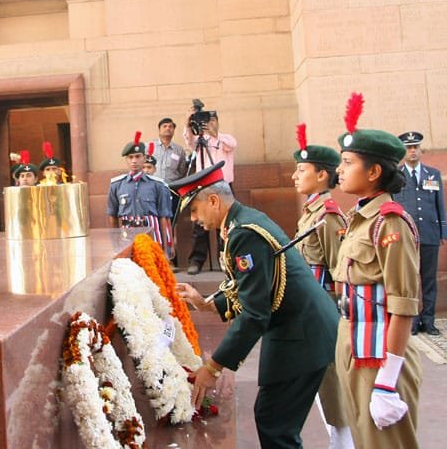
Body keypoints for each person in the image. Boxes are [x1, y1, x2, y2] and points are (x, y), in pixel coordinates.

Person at [174, 160, 339, 449]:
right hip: (297, 328)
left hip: (303, 334)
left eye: (194, 209)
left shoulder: (244, 233)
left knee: (276, 424)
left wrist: (212, 368)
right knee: (273, 419)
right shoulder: (240, 223)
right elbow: (253, 287)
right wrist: (206, 303)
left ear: (213, 200)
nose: (193, 219)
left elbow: (254, 312)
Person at [332, 93, 421, 448]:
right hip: (353, 343)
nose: (339, 169)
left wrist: (388, 380)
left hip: (381, 353)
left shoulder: (389, 223)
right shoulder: (359, 217)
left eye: (348, 162)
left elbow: (402, 304)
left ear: (373, 172)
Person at [291, 124, 353, 448]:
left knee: (330, 376)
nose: (294, 176)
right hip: (310, 309)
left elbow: (339, 270)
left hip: (325, 309)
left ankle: (344, 439)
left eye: (301, 170)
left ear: (321, 176)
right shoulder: (309, 213)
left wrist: (334, 317)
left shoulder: (327, 216)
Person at [393, 130, 445, 336]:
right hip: (407, 237)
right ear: (403, 151)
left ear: (420, 150)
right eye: (408, 148)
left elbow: (439, 204)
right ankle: (413, 321)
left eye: (416, 147)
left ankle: (429, 320)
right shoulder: (397, 176)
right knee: (410, 280)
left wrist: (442, 230)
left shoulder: (432, 174)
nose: (413, 151)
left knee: (429, 279)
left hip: (430, 234)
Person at [182, 103, 238, 275]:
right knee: (199, 224)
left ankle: (225, 258)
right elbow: (188, 141)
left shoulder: (226, 139)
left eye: (212, 120)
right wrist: (188, 122)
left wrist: (215, 134)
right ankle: (196, 261)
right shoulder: (200, 141)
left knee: (226, 224)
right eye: (207, 121)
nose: (209, 123)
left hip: (223, 186)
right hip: (203, 186)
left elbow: (231, 145)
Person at [107, 131, 174, 257]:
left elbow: (163, 217)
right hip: (127, 238)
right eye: (130, 157)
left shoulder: (157, 185)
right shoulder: (117, 185)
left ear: (144, 158)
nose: (134, 161)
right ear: (126, 159)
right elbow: (112, 216)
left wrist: (166, 249)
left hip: (152, 237)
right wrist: (115, 245)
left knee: (152, 271)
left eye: (138, 156)